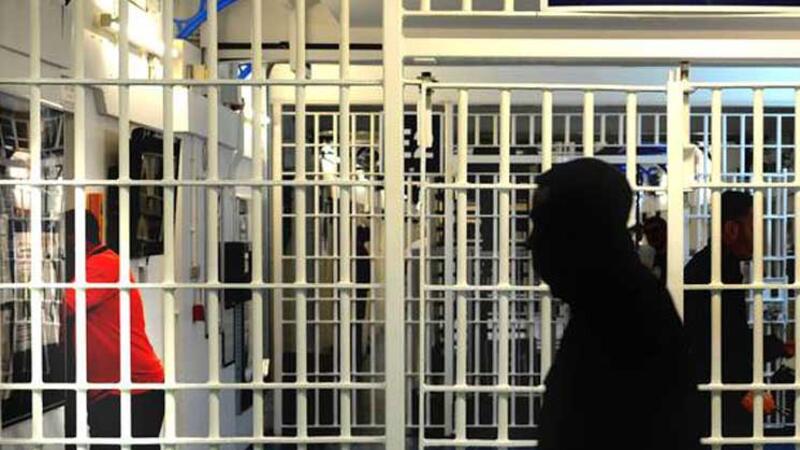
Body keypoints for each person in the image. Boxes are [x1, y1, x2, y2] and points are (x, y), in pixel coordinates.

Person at [528, 158, 701, 450]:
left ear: (581, 231)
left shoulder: (623, 319)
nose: (532, 243)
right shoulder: (619, 305)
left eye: (545, 226)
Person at [684, 191, 792, 448]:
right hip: (716, 400)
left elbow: (727, 336)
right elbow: (711, 342)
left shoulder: (714, 266)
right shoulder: (714, 273)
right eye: (755, 227)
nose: (761, 237)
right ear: (732, 230)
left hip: (713, 395)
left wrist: (778, 347)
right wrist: (742, 390)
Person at [63, 210, 165, 450]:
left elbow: (60, 305)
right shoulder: (103, 263)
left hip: (131, 390)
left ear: (76, 241)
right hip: (122, 389)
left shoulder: (103, 265)